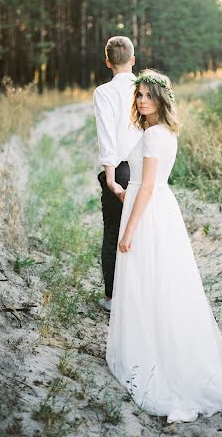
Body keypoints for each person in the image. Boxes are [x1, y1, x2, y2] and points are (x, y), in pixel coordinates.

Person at [106, 69, 222, 423]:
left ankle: (154, 354)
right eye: (138, 95)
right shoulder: (163, 131)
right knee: (159, 280)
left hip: (148, 213)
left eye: (147, 96)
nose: (141, 101)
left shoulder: (155, 135)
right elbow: (145, 182)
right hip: (156, 207)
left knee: (147, 281)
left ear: (161, 100)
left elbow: (148, 186)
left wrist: (128, 232)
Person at [93, 36, 142, 313]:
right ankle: (141, 293)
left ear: (108, 62)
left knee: (114, 233)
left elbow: (107, 138)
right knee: (143, 230)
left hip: (121, 170)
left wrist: (110, 179)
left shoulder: (104, 93)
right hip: (147, 168)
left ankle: (113, 298)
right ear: (133, 60)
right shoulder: (146, 88)